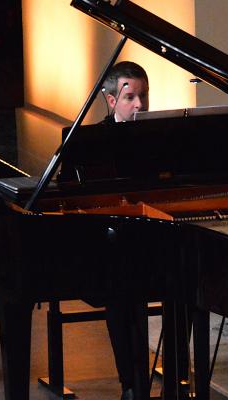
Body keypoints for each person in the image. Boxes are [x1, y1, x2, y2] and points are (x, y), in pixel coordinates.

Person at [100, 61, 150, 400]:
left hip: (153, 234)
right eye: (131, 97)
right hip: (111, 241)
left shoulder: (162, 136)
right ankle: (131, 383)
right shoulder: (94, 142)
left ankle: (178, 376)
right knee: (120, 296)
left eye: (144, 96)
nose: (141, 106)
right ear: (111, 101)